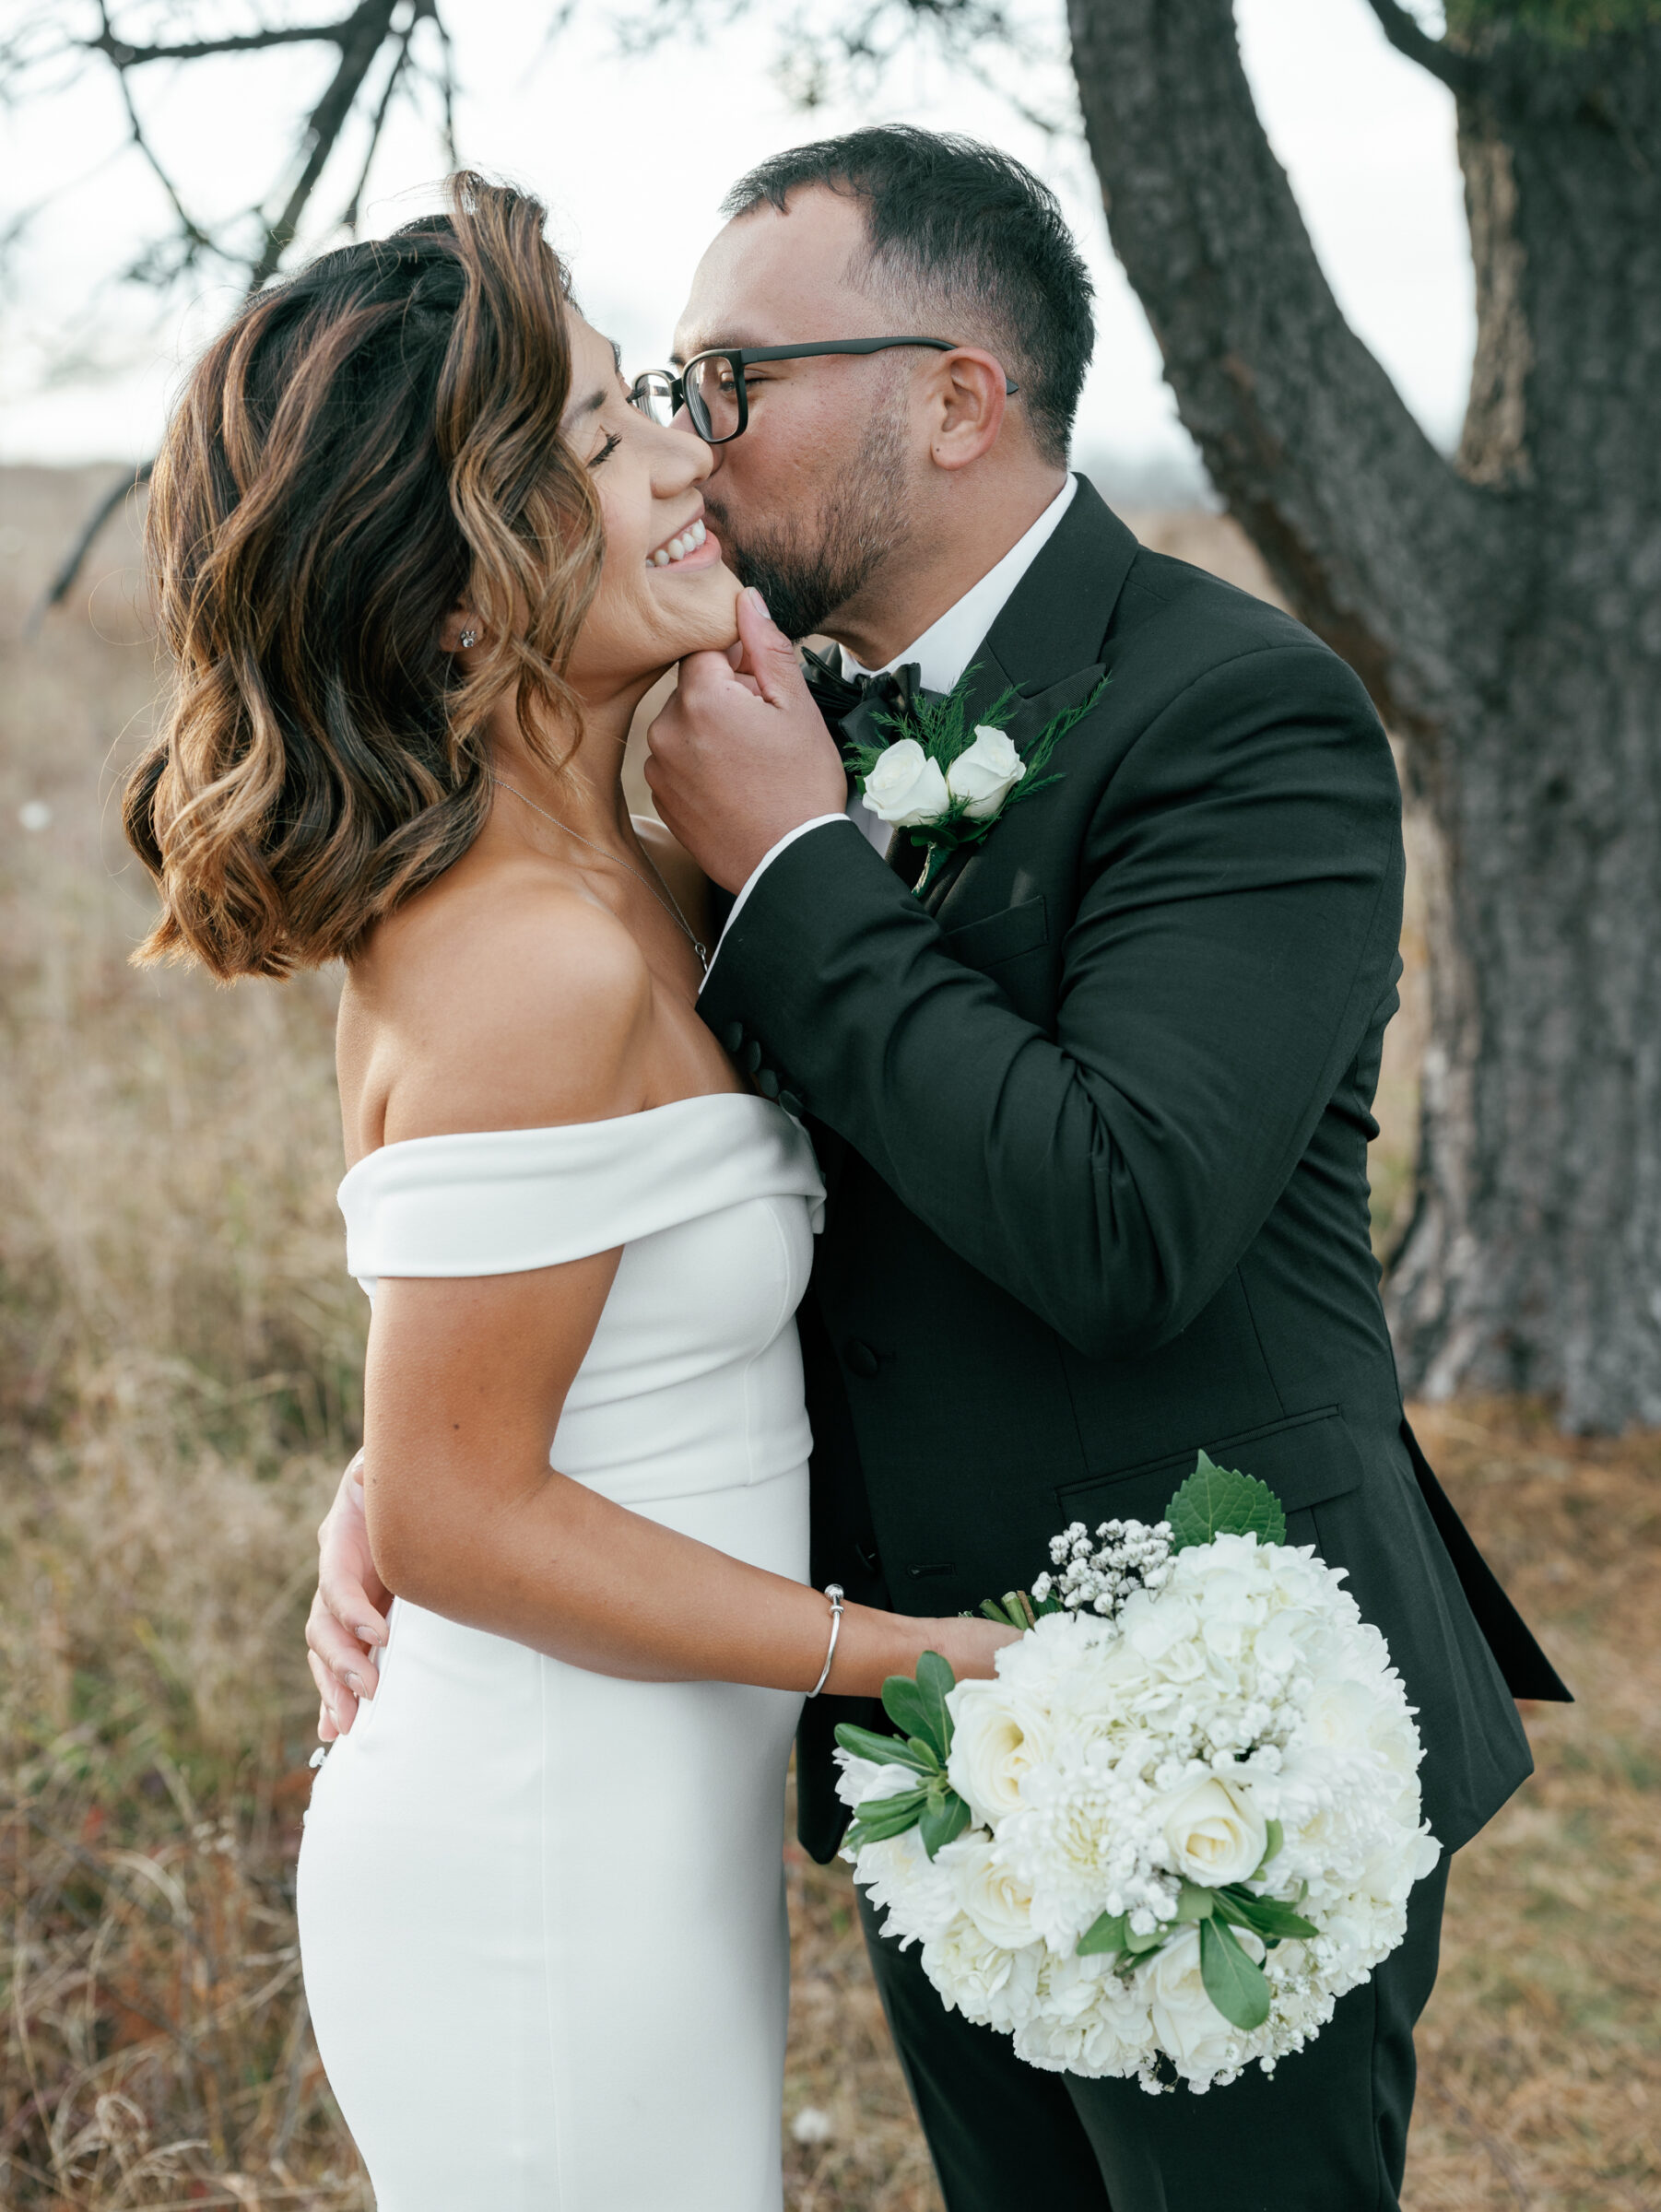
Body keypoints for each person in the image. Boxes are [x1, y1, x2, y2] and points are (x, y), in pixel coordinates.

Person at [309, 134, 1568, 2208]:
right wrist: (424, 1460)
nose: (688, 450)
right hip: (922, 1749)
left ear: (955, 398)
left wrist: (806, 870)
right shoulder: (746, 721)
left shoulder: (1235, 713)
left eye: (728, 382)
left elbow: (1124, 1224)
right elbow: (669, 1177)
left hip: (1209, 1736)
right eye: (662, 397)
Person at [124, 172, 1014, 2212]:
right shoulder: (527, 954)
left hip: (633, 1819)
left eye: (646, 407)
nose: (688, 455)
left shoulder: (625, 861)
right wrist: (907, 1659)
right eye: (606, 440)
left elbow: (485, 1405)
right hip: (538, 1847)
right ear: (457, 588)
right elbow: (455, 1504)